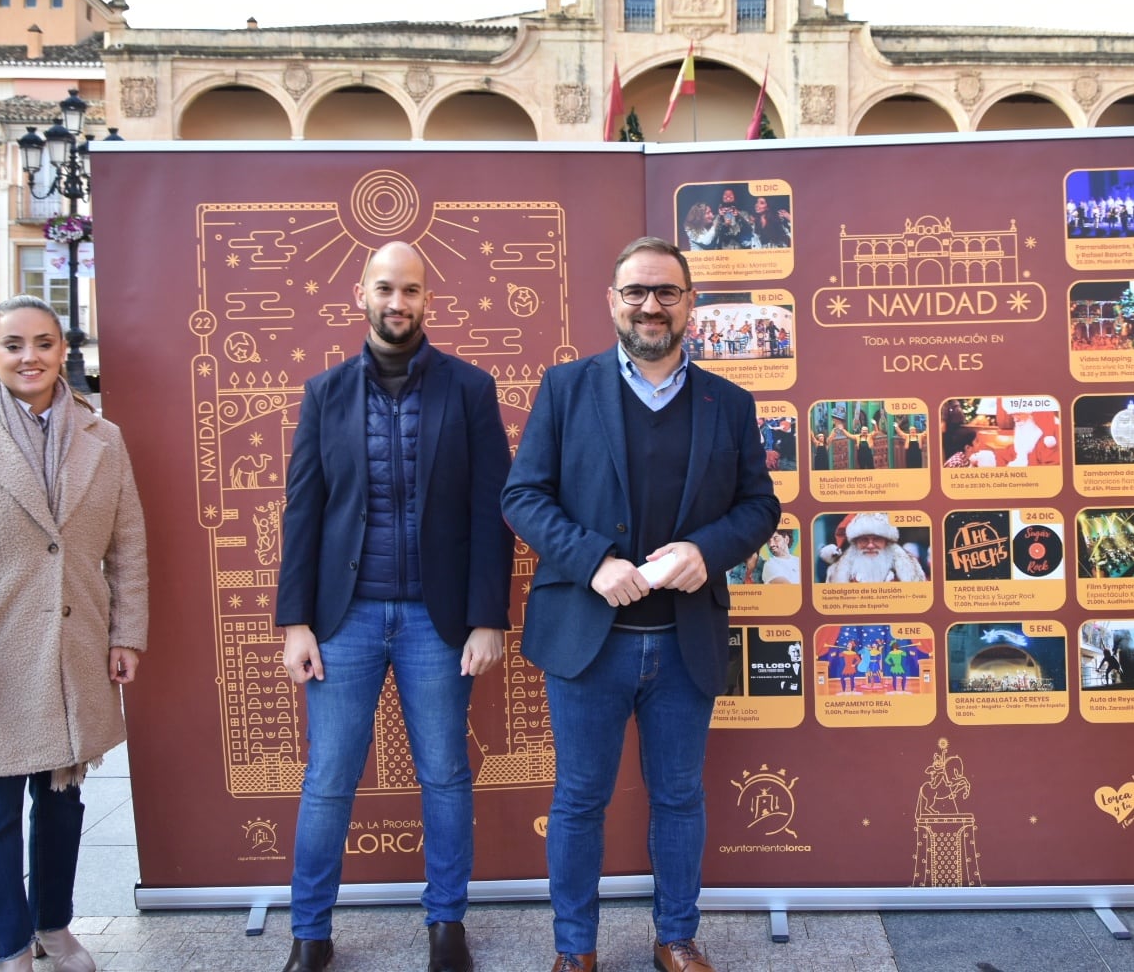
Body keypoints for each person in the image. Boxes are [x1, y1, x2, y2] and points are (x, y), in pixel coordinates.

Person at [503, 236, 779, 972]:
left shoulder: (729, 403)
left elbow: (759, 507)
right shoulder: (566, 389)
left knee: (681, 798)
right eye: (636, 292)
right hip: (587, 642)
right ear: (612, 302)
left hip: (683, 643)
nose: (651, 306)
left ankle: (677, 937)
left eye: (667, 292)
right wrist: (593, 561)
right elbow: (522, 496)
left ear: (691, 303)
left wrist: (707, 551)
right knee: (580, 800)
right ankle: (575, 950)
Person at [276, 242, 512, 972]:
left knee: (443, 773)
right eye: (385, 288)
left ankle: (447, 924)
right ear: (361, 294)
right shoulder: (325, 393)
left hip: (436, 625)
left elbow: (490, 509)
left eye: (410, 290)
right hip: (342, 620)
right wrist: (296, 623)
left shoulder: (469, 390)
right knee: (328, 780)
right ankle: (310, 933)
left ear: (426, 299)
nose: (398, 302)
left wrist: (487, 617)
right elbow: (303, 511)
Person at [0, 294, 149, 972]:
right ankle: (8, 946)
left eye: (43, 343)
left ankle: (52, 925)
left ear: (62, 353)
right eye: (14, 344)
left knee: (61, 801)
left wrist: (126, 634)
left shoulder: (103, 439)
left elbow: (128, 545)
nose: (30, 357)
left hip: (74, 654)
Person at [821, 512, 926, 584]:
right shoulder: (837, 575)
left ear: (887, 542)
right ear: (855, 543)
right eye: (863, 539)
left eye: (877, 539)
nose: (870, 545)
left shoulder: (906, 575)